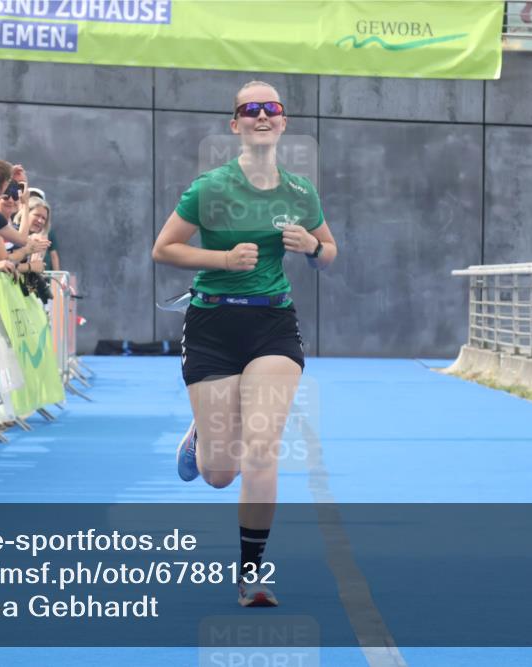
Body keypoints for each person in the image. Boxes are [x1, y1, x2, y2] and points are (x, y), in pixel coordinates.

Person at [151, 81, 337, 608]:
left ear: (283, 122)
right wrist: (222, 260)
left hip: (272, 326)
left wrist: (313, 247)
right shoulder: (210, 188)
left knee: (261, 450)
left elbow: (330, 251)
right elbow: (164, 249)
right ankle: (199, 436)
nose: (261, 115)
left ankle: (251, 575)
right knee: (218, 473)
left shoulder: (301, 192)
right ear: (235, 124)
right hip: (212, 326)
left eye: (271, 108)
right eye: (249, 109)